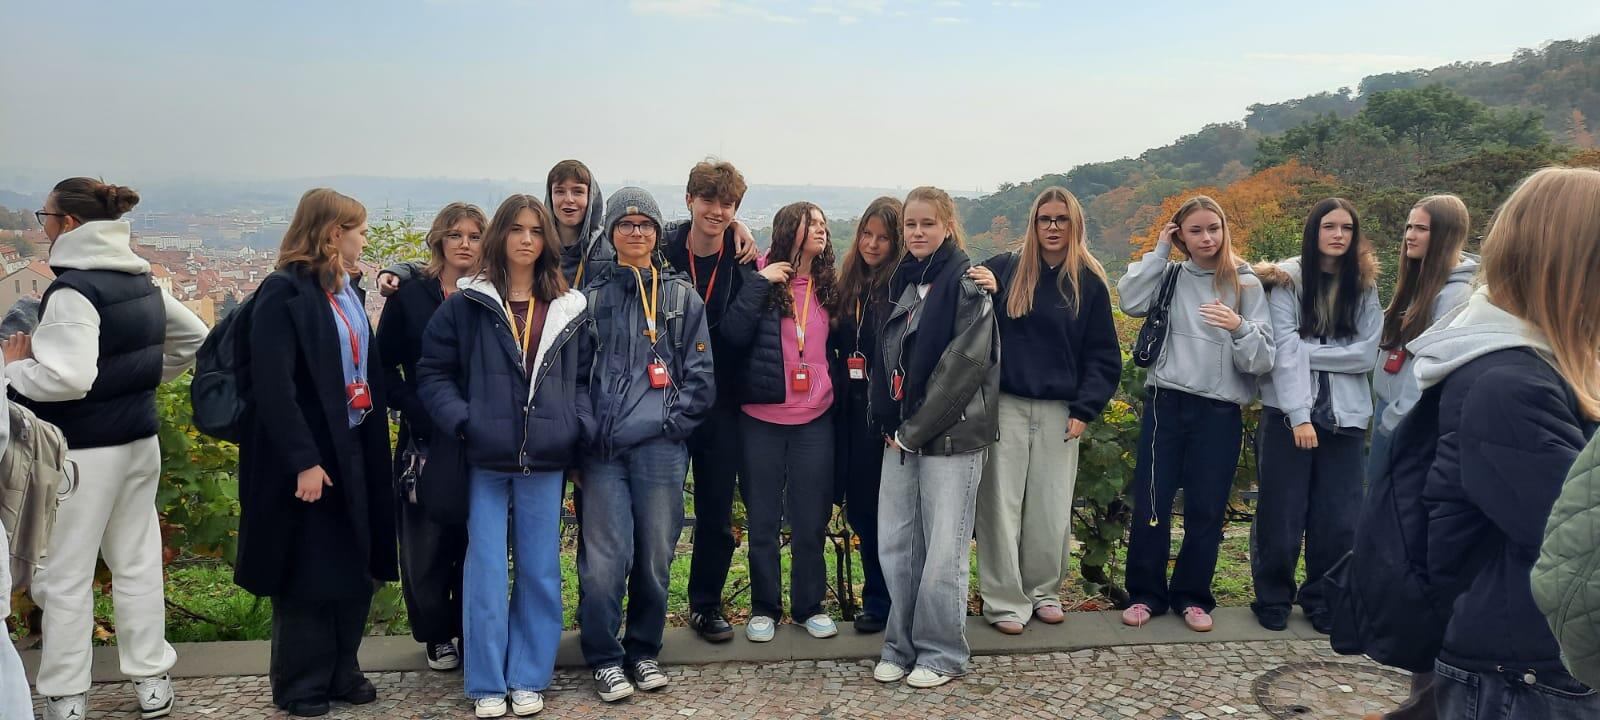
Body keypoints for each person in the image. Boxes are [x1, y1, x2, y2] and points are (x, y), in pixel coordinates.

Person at [4, 177, 207, 720]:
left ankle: (67, 693)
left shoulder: (73, 290)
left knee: (64, 574)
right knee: (137, 562)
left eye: (46, 217)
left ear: (68, 223)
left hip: (83, 451)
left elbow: (69, 377)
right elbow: (194, 339)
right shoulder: (141, 278)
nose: (43, 226)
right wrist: (143, 379)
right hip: (140, 441)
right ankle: (152, 680)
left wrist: (14, 369)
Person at [1404, 167, 1600, 718]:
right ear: (1577, 265)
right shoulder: (1508, 386)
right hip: (1523, 673)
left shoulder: (1550, 367)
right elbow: (1578, 547)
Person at [418, 195, 586, 718]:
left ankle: (529, 676)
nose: (526, 239)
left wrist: (574, 424)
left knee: (540, 571)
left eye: (535, 230)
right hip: (485, 459)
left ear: (547, 240)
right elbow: (432, 371)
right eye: (516, 229)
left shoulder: (568, 306)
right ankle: (487, 681)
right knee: (486, 570)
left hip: (545, 458)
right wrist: (464, 419)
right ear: (501, 236)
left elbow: (584, 379)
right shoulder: (467, 303)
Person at [233, 188, 397, 717]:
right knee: (308, 569)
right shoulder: (283, 293)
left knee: (354, 562)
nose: (364, 241)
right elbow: (273, 386)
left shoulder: (345, 290)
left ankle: (342, 670)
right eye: (360, 232)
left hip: (355, 443)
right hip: (308, 453)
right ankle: (301, 683)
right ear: (333, 234)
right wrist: (303, 460)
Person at [575, 187, 714, 703]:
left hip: (660, 449)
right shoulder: (587, 299)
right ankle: (604, 657)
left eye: (646, 224)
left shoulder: (681, 297)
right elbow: (573, 378)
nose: (636, 232)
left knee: (656, 554)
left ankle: (643, 650)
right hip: (603, 451)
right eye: (626, 224)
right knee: (605, 561)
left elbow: (701, 374)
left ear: (657, 233)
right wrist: (586, 432)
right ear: (611, 233)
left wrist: (671, 425)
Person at [966, 186, 1121, 635]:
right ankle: (1003, 601)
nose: (1053, 227)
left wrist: (1086, 408)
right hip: (1006, 406)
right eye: (1044, 219)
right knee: (1000, 508)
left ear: (1075, 224)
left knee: (1050, 509)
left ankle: (1043, 593)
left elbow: (1103, 355)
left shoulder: (1088, 282)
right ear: (1033, 223)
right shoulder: (1006, 268)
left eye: (1061, 219)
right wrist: (989, 290)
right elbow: (967, 299)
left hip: (1060, 411)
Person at [1116, 196, 1273, 633]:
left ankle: (1193, 596)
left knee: (1207, 507)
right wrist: (1159, 251)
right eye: (1195, 231)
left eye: (1214, 228)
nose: (1207, 238)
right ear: (1181, 236)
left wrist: (1238, 326)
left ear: (1225, 230)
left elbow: (1263, 359)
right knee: (1152, 500)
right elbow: (1129, 300)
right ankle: (1145, 594)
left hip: (1220, 409)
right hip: (1166, 401)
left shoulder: (1246, 284)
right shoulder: (1169, 276)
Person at [869, 186, 999, 689]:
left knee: (944, 549)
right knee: (898, 544)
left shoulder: (968, 287)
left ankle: (942, 653)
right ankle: (899, 646)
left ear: (947, 226)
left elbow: (962, 370)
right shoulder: (902, 281)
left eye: (927, 223)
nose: (918, 232)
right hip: (900, 435)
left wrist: (913, 431)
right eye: (911, 224)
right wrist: (893, 424)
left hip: (952, 436)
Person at [1358, 195, 1474, 720]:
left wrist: (1396, 422)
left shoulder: (1458, 296)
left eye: (1421, 229)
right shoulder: (1418, 286)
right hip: (1390, 424)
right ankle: (1419, 691)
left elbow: (1428, 375)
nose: (1409, 236)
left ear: (1445, 233)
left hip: (1414, 434)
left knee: (1413, 550)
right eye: (1408, 226)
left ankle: (1428, 697)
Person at [661, 159, 780, 643]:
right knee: (657, 513)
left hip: (722, 401)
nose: (717, 210)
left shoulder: (742, 260)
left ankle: (705, 605)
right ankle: (643, 608)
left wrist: (740, 231)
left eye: (727, 204)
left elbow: (742, 330)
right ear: (689, 199)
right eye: (708, 200)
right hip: (665, 399)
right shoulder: (663, 250)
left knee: (715, 512)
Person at [1251, 198, 1381, 634]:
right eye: (1329, 226)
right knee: (1281, 512)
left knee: (1339, 516)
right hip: (1287, 413)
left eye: (1347, 227)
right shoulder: (1288, 280)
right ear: (1314, 231)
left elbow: (1365, 354)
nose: (1338, 235)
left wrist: (1306, 351)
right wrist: (1299, 415)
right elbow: (1282, 351)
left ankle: (1324, 597)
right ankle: (1272, 597)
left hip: (1347, 415)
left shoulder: (1363, 284)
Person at [375, 202, 485, 674]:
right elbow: (382, 366)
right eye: (455, 235)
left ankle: (472, 629)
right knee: (426, 541)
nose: (465, 244)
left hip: (479, 433)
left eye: (474, 236)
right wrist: (416, 405)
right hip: (424, 435)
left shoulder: (492, 293)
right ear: (439, 239)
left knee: (475, 539)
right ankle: (436, 632)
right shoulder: (411, 295)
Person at [722, 202, 839, 642]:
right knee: (764, 519)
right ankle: (764, 608)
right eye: (813, 223)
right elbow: (732, 333)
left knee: (810, 520)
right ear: (791, 228)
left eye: (824, 223)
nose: (822, 230)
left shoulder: (829, 285)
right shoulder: (756, 272)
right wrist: (759, 283)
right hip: (761, 417)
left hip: (815, 418)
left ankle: (810, 606)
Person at [828, 196, 904, 634]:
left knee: (891, 513)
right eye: (867, 234)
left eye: (883, 238)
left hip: (891, 416)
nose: (872, 244)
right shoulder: (850, 283)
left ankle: (889, 600)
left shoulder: (904, 286)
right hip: (853, 414)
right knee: (860, 510)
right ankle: (877, 596)